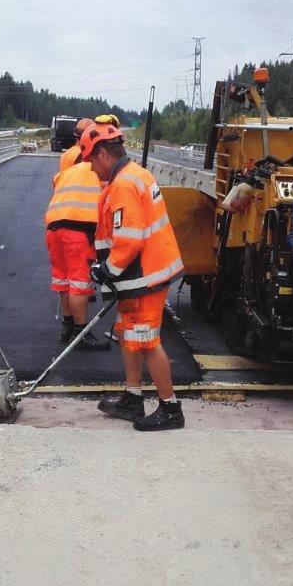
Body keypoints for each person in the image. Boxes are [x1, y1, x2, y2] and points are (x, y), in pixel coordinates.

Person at [80, 121, 186, 431]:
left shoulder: (125, 184)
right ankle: (132, 397)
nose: (89, 168)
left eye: (89, 160)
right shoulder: (134, 175)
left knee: (146, 340)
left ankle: (170, 408)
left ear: (103, 153)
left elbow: (129, 238)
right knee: (128, 334)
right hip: (139, 275)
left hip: (144, 277)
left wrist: (105, 270)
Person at [45, 159, 109, 350]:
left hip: (53, 230)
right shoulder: (99, 173)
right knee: (80, 284)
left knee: (63, 280)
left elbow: (55, 183)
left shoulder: (65, 173)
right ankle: (81, 333)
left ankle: (67, 327)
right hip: (78, 232)